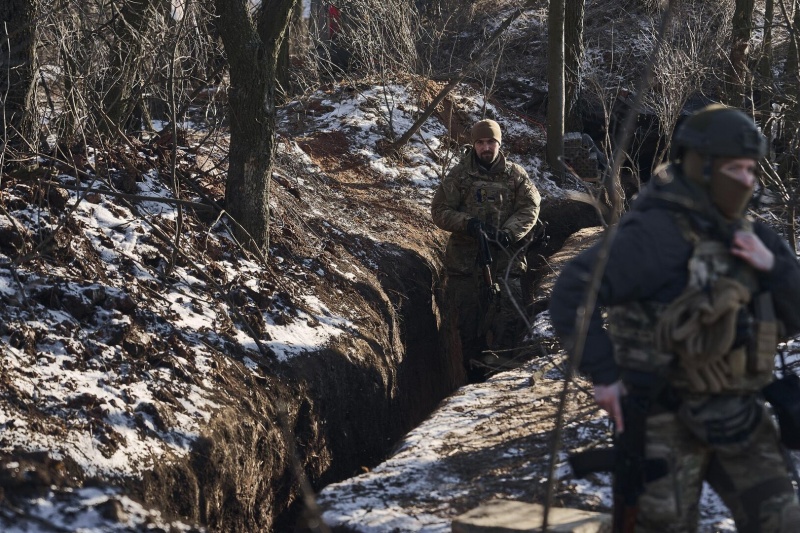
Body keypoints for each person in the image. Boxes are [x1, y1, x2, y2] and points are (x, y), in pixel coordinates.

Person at [549, 104, 800, 532]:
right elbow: (573, 291)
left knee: (782, 521)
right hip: (661, 419)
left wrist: (772, 269)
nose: (748, 181)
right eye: (736, 169)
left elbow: (793, 315)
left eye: (752, 169)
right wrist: (605, 375)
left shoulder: (754, 235)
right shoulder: (652, 236)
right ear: (701, 166)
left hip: (738, 414)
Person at [431, 118, 541, 382]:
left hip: (506, 265)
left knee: (509, 325)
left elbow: (531, 207)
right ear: (474, 145)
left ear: (499, 144)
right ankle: (473, 380)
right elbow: (440, 211)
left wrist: (507, 233)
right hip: (466, 268)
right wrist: (468, 224)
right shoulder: (459, 176)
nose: (486, 147)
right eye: (480, 142)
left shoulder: (515, 175)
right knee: (470, 330)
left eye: (491, 141)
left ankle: (502, 379)